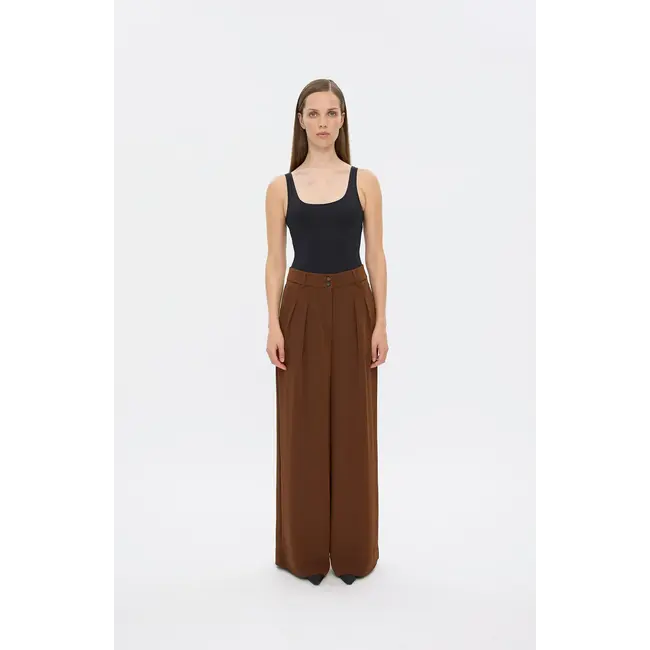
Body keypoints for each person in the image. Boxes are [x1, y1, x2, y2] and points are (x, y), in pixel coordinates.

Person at [265, 78, 389, 586]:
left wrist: (381, 321)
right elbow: (275, 260)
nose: (322, 122)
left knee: (355, 426)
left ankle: (354, 553)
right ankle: (305, 553)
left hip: (356, 302)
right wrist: (272, 322)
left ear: (342, 120)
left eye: (331, 113)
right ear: (300, 121)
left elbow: (376, 254)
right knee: (303, 428)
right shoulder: (280, 187)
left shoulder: (365, 182)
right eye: (313, 113)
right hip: (301, 306)